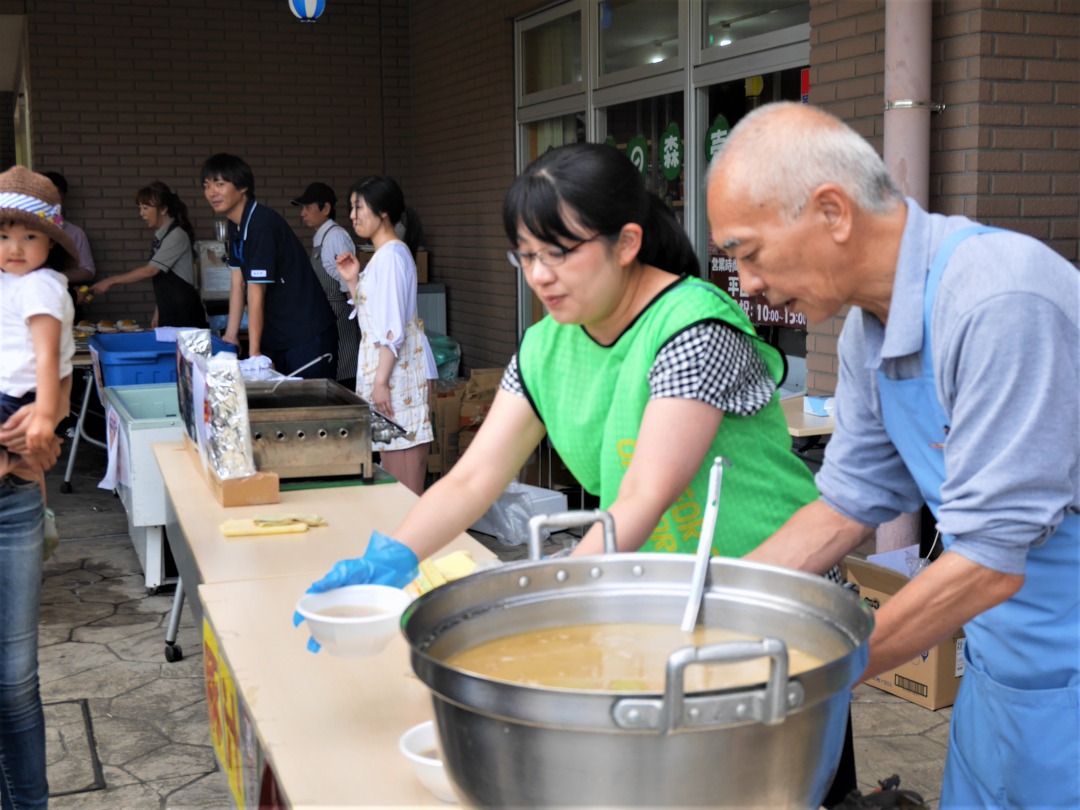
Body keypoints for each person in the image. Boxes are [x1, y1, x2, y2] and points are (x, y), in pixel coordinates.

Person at [310, 145, 857, 803]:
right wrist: (392, 557)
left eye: (560, 252)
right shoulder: (546, 344)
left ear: (626, 242)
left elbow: (641, 499)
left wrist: (552, 615)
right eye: (527, 255)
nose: (540, 276)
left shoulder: (694, 325)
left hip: (769, 602)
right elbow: (472, 477)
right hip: (658, 605)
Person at [706, 102, 1080, 808]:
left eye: (749, 252)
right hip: (1004, 674)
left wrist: (806, 687)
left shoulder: (998, 300)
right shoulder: (866, 334)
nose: (748, 284)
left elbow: (989, 564)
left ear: (832, 211)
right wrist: (709, 609)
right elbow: (846, 502)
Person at [0, 164, 78, 810]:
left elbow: (51, 365)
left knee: (14, 684)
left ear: (51, 243)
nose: (13, 246)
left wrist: (47, 416)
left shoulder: (44, 288)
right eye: (3, 231)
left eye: (28, 233)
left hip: (14, 495)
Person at [335, 176, 434, 495]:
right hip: (390, 377)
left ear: (383, 213)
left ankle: (410, 546)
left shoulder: (391, 256)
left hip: (395, 380)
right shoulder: (384, 256)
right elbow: (374, 315)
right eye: (351, 207)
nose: (352, 215)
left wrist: (380, 383)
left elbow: (390, 329)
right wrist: (353, 281)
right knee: (395, 478)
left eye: (359, 207)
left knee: (403, 487)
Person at [199, 154, 336, 378]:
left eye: (220, 184)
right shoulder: (235, 225)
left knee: (307, 409)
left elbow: (255, 291)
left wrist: (254, 353)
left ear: (242, 187)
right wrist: (231, 336)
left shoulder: (261, 224)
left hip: (308, 335)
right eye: (207, 186)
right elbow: (237, 283)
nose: (212, 192)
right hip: (280, 335)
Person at [90, 181, 208, 328]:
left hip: (185, 315)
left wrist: (111, 281)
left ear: (163, 209)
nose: (141, 213)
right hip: (171, 311)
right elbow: (164, 279)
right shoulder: (160, 236)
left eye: (146, 208)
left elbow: (151, 270)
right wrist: (159, 310)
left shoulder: (176, 236)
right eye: (140, 208)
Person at [291, 182, 359, 389]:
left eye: (308, 207)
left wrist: (359, 315)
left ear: (326, 208)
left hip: (341, 317)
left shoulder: (336, 236)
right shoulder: (322, 236)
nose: (303, 213)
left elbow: (348, 282)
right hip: (327, 319)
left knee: (345, 373)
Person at [41, 170, 96, 287]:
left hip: (66, 295)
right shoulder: (22, 229)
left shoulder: (74, 233)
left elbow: (88, 271)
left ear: (62, 198)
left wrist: (55, 277)